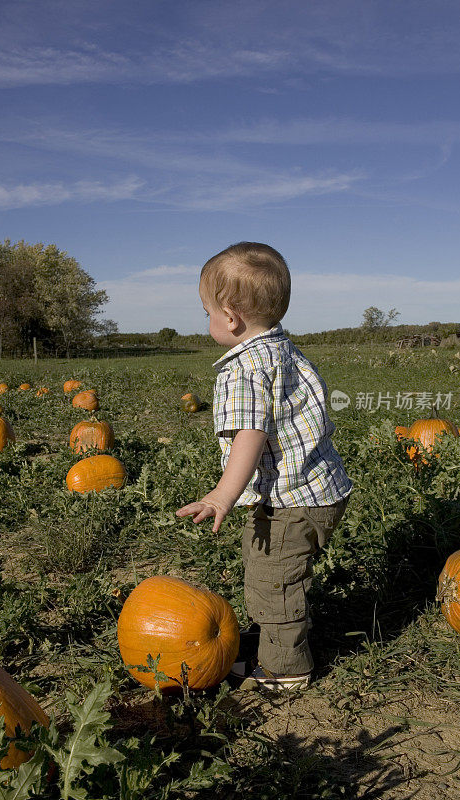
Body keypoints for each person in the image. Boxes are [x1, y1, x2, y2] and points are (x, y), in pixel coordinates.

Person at [176, 242, 352, 690]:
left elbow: (249, 438)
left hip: (292, 501)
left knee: (272, 580)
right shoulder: (284, 351)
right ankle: (271, 645)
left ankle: (286, 668)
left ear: (230, 317)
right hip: (320, 490)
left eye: (206, 312)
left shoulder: (243, 369)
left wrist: (221, 495)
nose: (207, 321)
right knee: (276, 572)